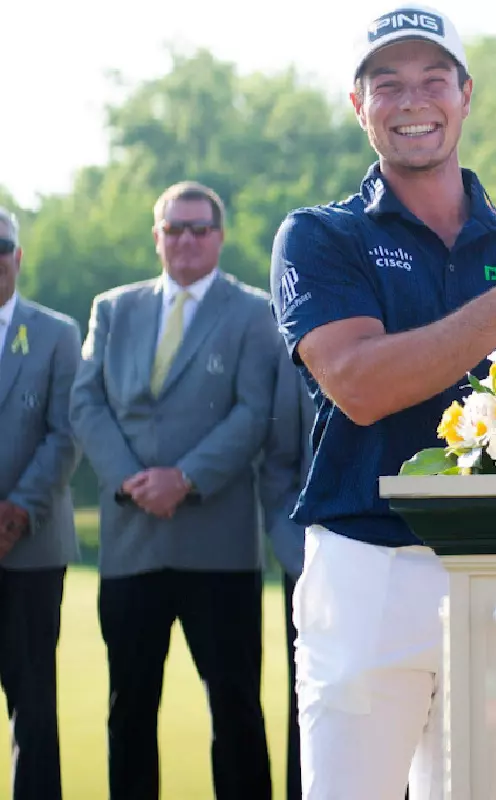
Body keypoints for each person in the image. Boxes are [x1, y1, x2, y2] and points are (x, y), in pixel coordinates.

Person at [268, 5, 496, 798]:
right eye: (388, 84)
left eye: (433, 80)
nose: (414, 101)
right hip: (370, 566)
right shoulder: (319, 237)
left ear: (467, 95)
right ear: (358, 105)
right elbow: (363, 386)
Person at [69, 181, 278, 799]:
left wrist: (183, 479)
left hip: (218, 546)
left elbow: (254, 411)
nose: (186, 240)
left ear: (220, 236)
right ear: (156, 236)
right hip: (132, 544)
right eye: (174, 229)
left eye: (200, 229)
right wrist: (132, 481)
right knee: (129, 708)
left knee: (235, 707)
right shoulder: (113, 309)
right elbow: (86, 401)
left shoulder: (253, 311)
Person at [0, 207, 82, 800]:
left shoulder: (55, 333)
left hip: (29, 548)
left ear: (18, 256)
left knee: (33, 705)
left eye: (1, 246)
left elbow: (66, 432)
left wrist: (18, 510)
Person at [258, 343, 315, 800]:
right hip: (312, 572)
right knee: (309, 717)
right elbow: (278, 467)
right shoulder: (301, 342)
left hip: (433, 567)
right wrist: (300, 560)